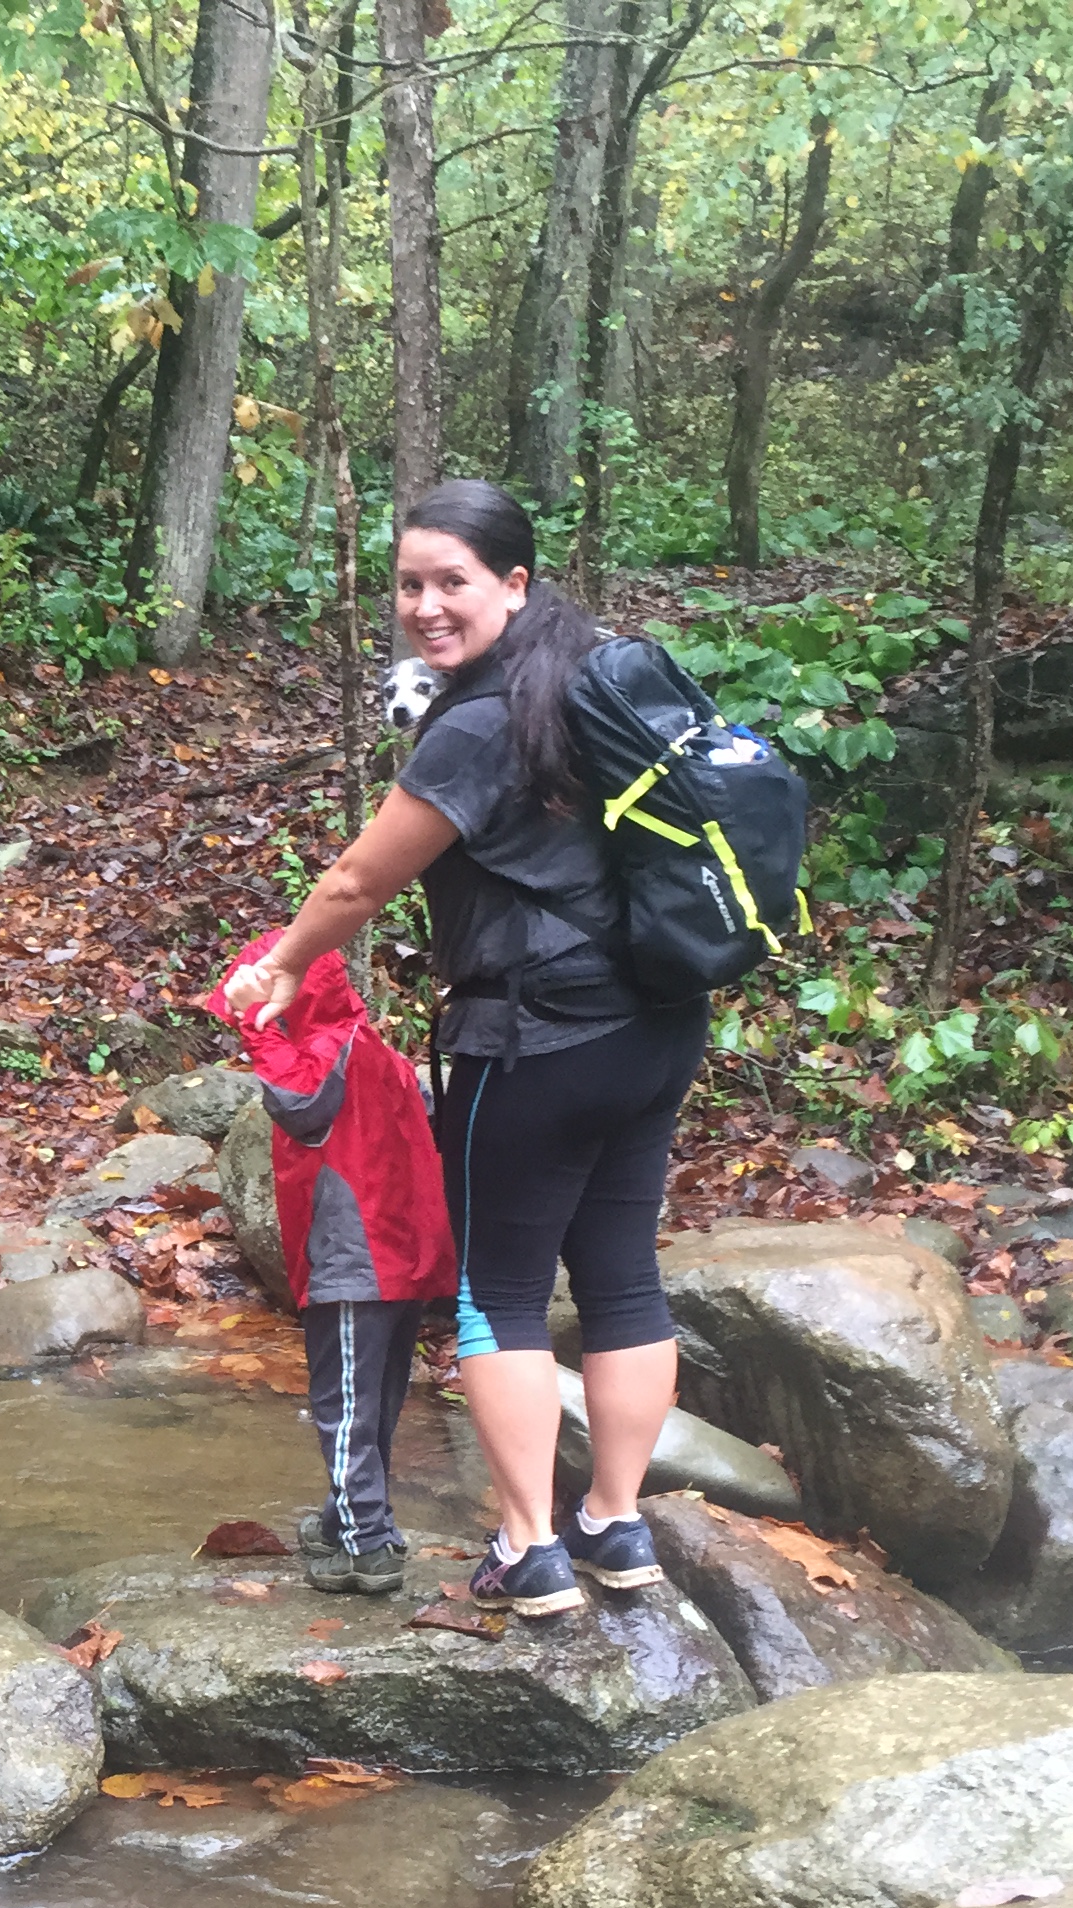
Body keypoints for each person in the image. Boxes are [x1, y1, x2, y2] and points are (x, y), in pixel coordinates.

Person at [225, 477, 700, 1622]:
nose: (426, 606)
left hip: (535, 1039)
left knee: (500, 1294)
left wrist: (285, 965)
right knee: (626, 1279)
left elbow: (357, 880)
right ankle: (616, 1525)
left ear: (516, 585)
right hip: (656, 1026)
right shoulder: (597, 686)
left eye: (453, 583)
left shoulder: (484, 724)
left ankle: (531, 1545)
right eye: (409, 584)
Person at [206, 929, 457, 1597]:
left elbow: (299, 1106)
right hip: (401, 1256)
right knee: (372, 1400)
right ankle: (345, 1518)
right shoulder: (369, 1045)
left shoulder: (321, 1051)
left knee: (343, 1403)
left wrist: (257, 1032)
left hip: (357, 1256)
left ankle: (367, 1544)